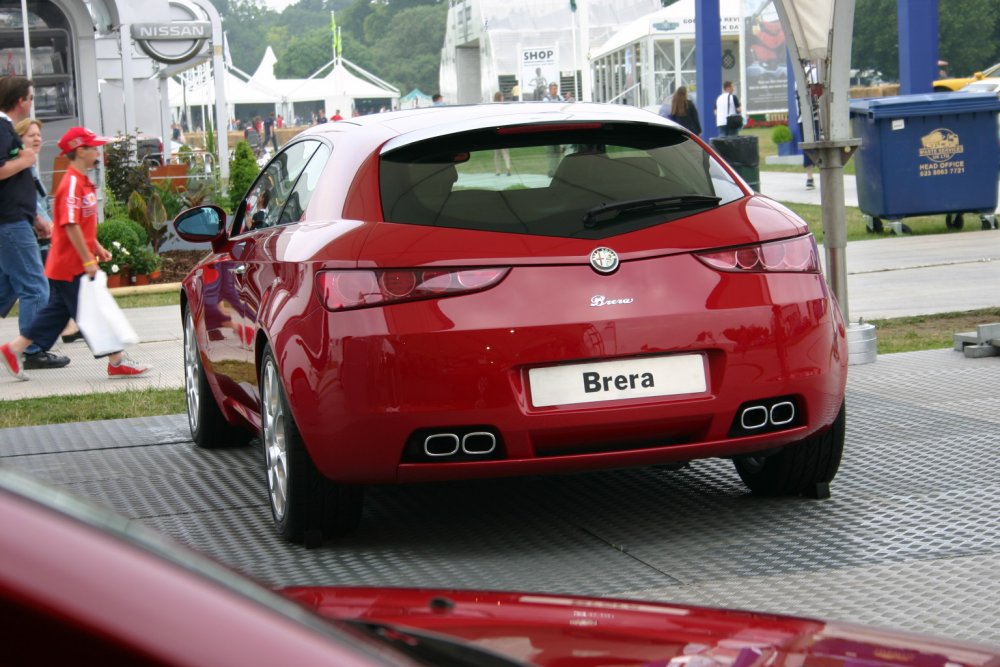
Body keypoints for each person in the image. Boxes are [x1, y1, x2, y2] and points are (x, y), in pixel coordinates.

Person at [0, 127, 150, 382]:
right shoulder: (71, 184)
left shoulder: (82, 181)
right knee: (94, 311)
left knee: (57, 314)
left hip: (72, 263)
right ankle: (117, 361)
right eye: (93, 147)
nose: (97, 151)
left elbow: (83, 225)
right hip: (70, 264)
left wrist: (96, 248)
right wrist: (88, 260)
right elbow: (69, 226)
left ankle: (15, 349)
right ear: (80, 151)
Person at [0, 76, 68, 370]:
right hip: (10, 223)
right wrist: (24, 160)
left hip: (18, 220)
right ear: (20, 101)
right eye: (30, 97)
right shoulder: (3, 130)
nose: (31, 102)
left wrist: (36, 216)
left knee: (7, 287)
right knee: (35, 286)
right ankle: (33, 350)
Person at [492, 92, 511, 176]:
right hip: (501, 133)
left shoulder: (498, 107)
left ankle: (499, 170)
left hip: (498, 133)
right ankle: (506, 169)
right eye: (502, 96)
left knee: (498, 154)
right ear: (499, 97)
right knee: (503, 153)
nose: (503, 98)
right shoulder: (502, 107)